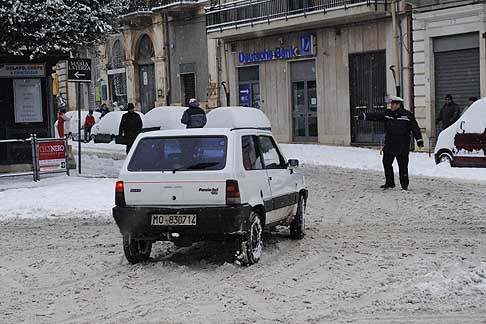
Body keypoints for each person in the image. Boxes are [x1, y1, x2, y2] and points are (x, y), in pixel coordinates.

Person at [357, 96, 424, 190]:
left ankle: (404, 185)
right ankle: (389, 182)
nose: (391, 105)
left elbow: (415, 128)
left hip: (402, 146)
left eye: (393, 104)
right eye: (391, 104)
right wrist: (364, 116)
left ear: (398, 104)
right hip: (390, 145)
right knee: (386, 163)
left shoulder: (407, 115)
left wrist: (419, 140)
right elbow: (376, 116)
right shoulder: (388, 114)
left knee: (403, 166)